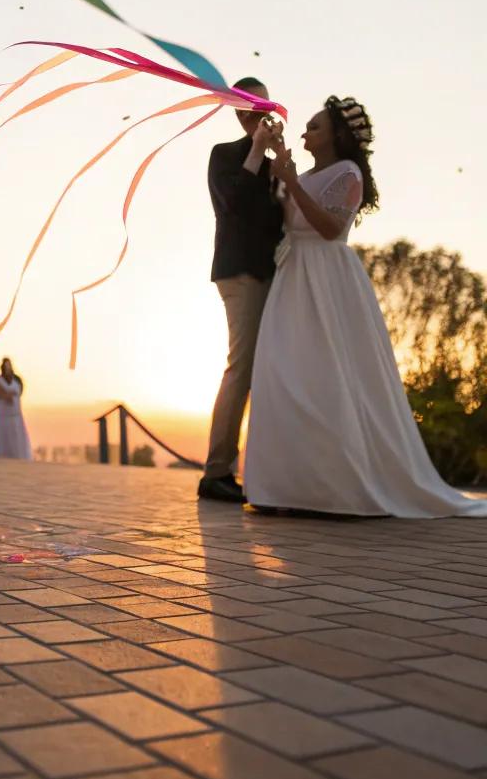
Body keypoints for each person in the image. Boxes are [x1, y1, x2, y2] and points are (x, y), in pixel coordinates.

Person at [246, 97, 487, 518]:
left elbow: (330, 228)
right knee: (285, 372)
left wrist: (292, 183)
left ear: (337, 135)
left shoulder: (348, 173)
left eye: (314, 127)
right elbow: (289, 217)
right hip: (293, 275)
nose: (305, 132)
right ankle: (288, 488)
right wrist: (281, 163)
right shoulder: (305, 172)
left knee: (327, 376)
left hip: (328, 276)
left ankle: (338, 491)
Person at [199, 78, 284, 503]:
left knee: (269, 370)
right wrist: (256, 149)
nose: (257, 111)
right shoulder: (225, 155)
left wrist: (280, 161)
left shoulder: (272, 166)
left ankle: (266, 469)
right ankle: (216, 471)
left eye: (263, 104)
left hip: (273, 274)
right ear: (237, 110)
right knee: (242, 366)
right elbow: (232, 204)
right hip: (239, 273)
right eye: (250, 104)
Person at [0, 358, 34, 460]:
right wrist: (7, 395)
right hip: (3, 415)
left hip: (16, 415)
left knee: (18, 437)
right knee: (4, 437)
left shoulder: (17, 380)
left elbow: (20, 392)